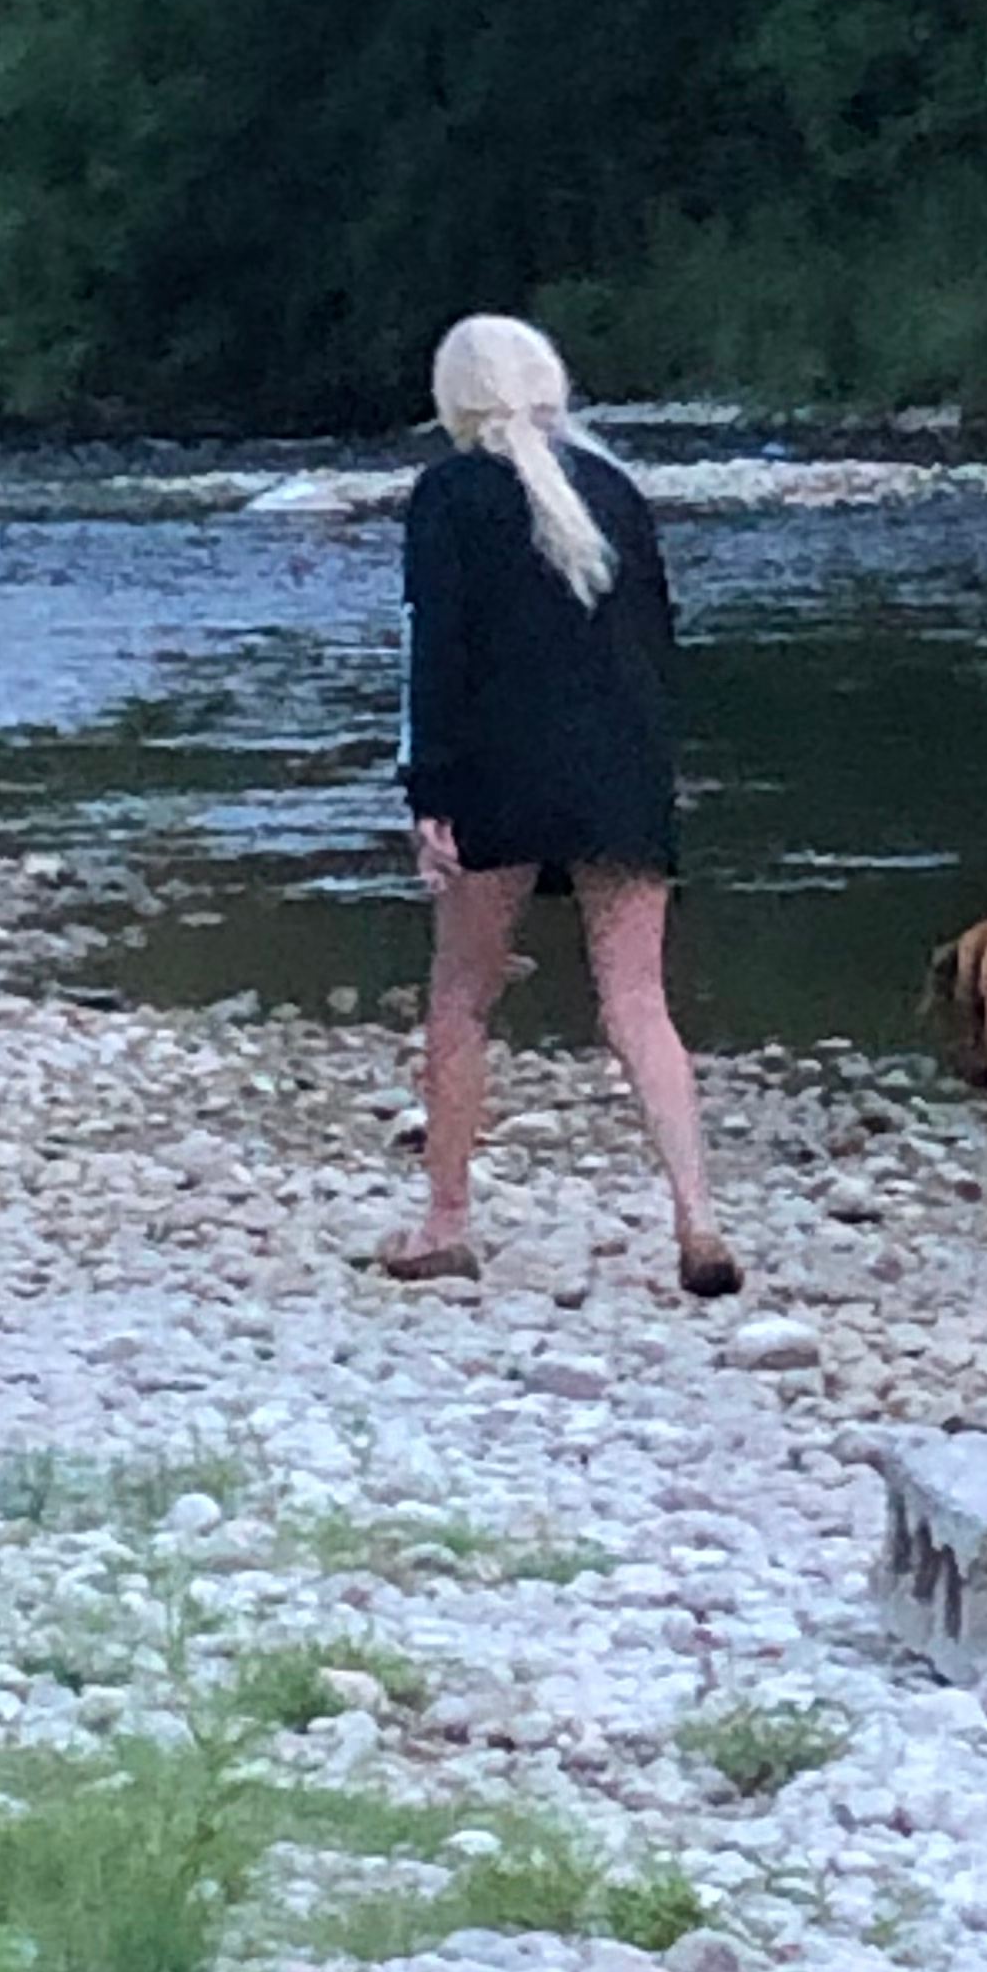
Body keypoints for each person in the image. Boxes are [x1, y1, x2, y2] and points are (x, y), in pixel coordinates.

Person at [378, 314, 742, 1297]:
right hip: (621, 767)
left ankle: (446, 1217)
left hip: (495, 767)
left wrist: (429, 792)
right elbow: (659, 643)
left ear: (455, 397)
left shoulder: (449, 495)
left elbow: (436, 651)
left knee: (462, 993)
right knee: (637, 999)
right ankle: (698, 1217)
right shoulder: (615, 491)